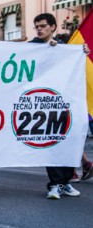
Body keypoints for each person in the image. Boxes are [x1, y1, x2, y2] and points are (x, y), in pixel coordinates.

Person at [28, 13, 80, 199]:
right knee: (51, 141)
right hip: (42, 103)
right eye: (37, 26)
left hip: (64, 101)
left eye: (43, 26)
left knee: (67, 140)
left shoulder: (65, 48)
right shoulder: (31, 47)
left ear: (53, 27)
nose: (39, 29)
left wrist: (83, 53)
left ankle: (65, 182)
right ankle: (55, 184)